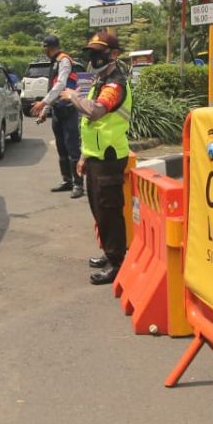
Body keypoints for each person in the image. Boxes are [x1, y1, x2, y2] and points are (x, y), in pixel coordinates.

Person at [59, 31, 131, 285]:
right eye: (91, 52)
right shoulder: (101, 82)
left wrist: (73, 97)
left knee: (110, 211)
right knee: (99, 210)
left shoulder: (115, 84)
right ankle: (109, 253)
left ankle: (118, 263)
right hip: (97, 158)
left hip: (110, 158)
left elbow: (96, 112)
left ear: (113, 55)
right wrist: (84, 157)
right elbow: (90, 127)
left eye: (99, 52)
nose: (94, 57)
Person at [30, 35, 84, 198]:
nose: (44, 50)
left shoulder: (64, 60)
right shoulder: (54, 62)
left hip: (68, 110)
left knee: (72, 148)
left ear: (51, 47)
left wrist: (43, 103)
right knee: (62, 149)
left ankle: (78, 184)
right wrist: (45, 110)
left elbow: (61, 84)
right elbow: (54, 89)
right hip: (58, 112)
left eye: (45, 47)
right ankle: (67, 180)